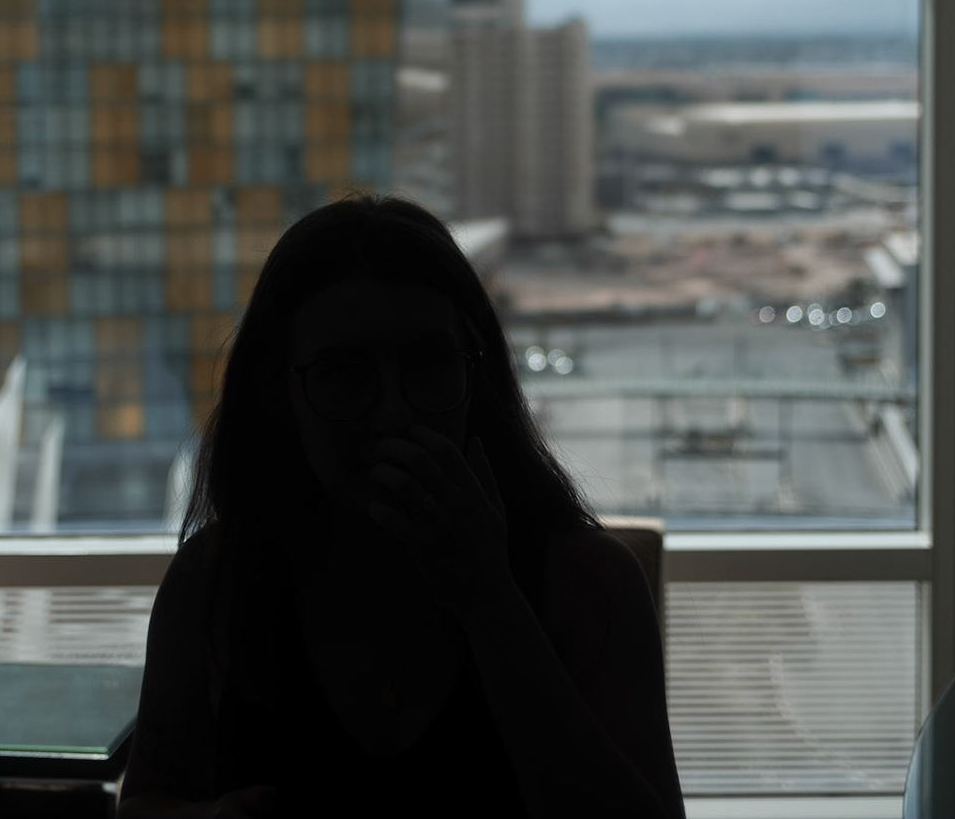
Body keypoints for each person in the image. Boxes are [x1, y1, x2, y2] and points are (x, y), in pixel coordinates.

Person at [118, 195, 684, 818]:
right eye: (343, 373)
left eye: (429, 365)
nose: (393, 412)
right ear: (279, 393)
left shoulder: (590, 588)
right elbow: (143, 801)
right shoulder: (213, 583)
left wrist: (492, 604)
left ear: (477, 379)